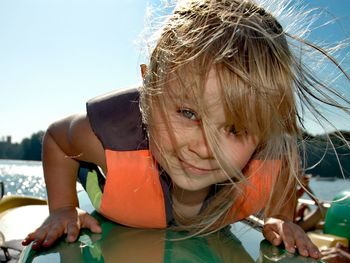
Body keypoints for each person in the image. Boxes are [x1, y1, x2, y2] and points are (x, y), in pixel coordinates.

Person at [22, 0, 350, 259]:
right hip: (111, 183)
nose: (205, 148)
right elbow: (56, 138)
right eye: (188, 113)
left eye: (236, 129)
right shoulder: (109, 138)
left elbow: (285, 158)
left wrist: (280, 218)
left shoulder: (271, 150)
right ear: (149, 85)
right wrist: (64, 207)